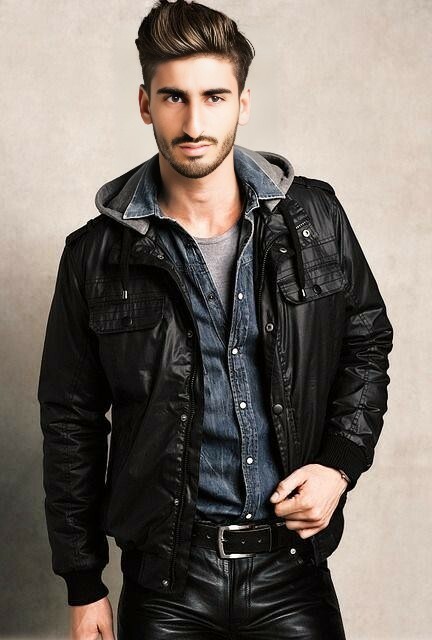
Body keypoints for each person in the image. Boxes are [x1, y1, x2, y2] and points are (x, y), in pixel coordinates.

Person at [37, 0, 394, 638]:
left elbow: (365, 340)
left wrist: (339, 465)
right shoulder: (95, 255)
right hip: (167, 583)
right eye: (173, 97)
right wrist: (84, 583)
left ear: (242, 103)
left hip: (291, 568)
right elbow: (71, 420)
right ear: (145, 104)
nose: (194, 122)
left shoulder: (313, 216)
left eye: (214, 97)